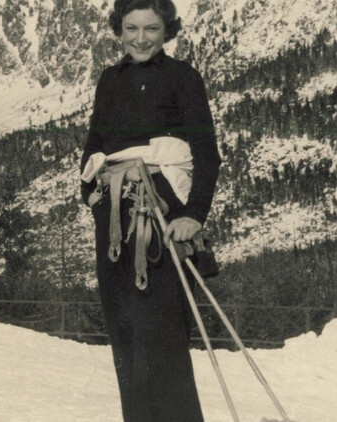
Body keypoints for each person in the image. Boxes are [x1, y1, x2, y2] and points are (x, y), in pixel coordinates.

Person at [79, 0, 220, 420]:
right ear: (119, 30)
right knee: (125, 334)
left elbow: (206, 153)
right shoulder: (110, 80)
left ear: (166, 30)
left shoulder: (182, 78)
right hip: (114, 214)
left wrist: (193, 214)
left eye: (151, 29)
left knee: (163, 335)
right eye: (132, 28)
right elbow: (95, 143)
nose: (140, 39)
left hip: (163, 208)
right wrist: (89, 194)